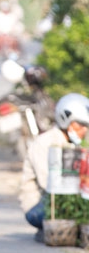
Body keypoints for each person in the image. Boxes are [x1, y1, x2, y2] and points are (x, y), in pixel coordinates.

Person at [19, 92, 89, 240]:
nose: (84, 130)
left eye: (86, 126)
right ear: (65, 120)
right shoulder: (45, 143)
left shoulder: (74, 145)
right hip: (39, 205)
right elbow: (49, 185)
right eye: (80, 125)